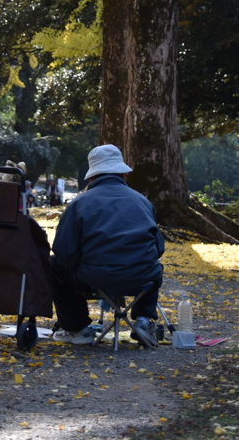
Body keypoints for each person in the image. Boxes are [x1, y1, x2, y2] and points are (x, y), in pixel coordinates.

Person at [49, 144, 165, 347]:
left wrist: (85, 263)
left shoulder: (79, 203)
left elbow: (63, 251)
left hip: (95, 276)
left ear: (92, 176)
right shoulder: (143, 202)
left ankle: (77, 328)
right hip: (140, 278)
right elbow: (158, 249)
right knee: (155, 269)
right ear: (123, 174)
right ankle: (144, 321)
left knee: (52, 266)